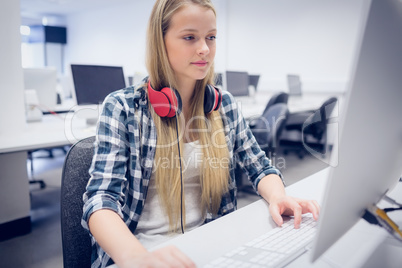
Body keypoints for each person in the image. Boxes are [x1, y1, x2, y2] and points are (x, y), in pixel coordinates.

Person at [82, 0, 320, 267]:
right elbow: (101, 199)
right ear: (160, 42)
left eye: (211, 37)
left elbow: (260, 168)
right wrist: (135, 257)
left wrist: (278, 196)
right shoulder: (123, 107)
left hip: (210, 246)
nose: (205, 49)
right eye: (189, 37)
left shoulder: (223, 105)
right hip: (142, 253)